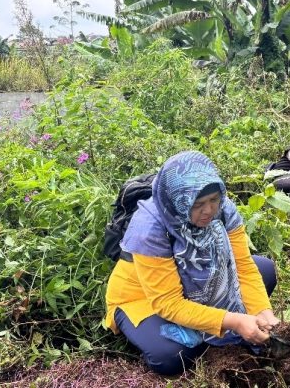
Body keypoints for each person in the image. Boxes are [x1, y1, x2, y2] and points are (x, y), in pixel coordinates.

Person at [104, 150, 279, 376]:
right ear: (180, 201)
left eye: (214, 200)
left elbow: (243, 267)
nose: (209, 211)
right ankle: (194, 332)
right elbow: (168, 302)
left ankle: (208, 326)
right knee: (170, 356)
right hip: (143, 297)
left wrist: (264, 312)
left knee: (265, 270)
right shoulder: (149, 229)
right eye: (198, 204)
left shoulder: (224, 210)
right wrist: (233, 321)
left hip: (204, 277)